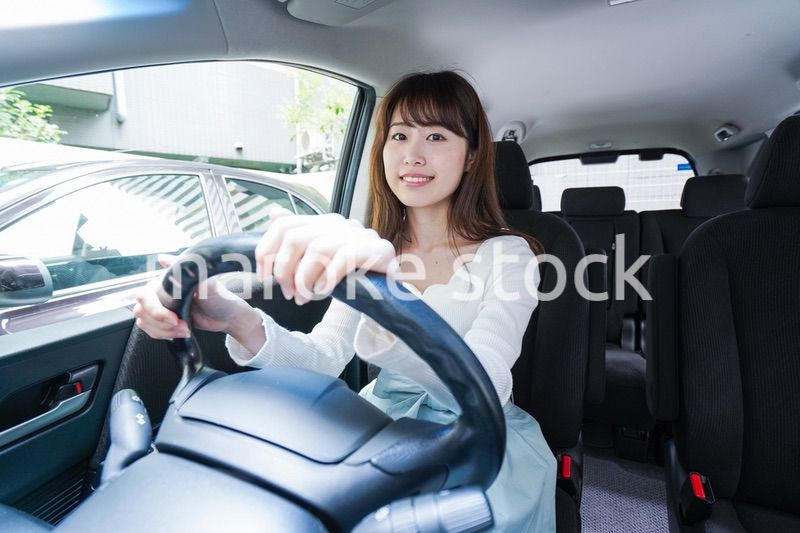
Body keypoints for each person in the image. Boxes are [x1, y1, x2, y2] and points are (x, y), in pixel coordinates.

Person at [134, 70, 557, 531]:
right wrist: (236, 318)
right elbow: (323, 358)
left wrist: (391, 302)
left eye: (436, 135)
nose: (412, 155)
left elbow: (489, 382)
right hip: (380, 421)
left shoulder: (510, 254)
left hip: (481, 437)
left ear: (472, 155)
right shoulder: (373, 247)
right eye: (399, 135)